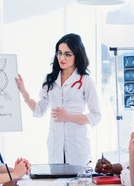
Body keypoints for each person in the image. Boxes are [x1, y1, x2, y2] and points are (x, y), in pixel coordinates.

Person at [15, 33, 101, 166]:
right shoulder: (50, 79)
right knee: (56, 183)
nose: (62, 57)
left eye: (67, 54)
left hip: (77, 146)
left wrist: (68, 117)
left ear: (77, 55)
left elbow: (96, 116)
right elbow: (39, 110)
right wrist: (24, 92)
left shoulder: (85, 80)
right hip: (56, 145)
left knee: (78, 184)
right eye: (59, 53)